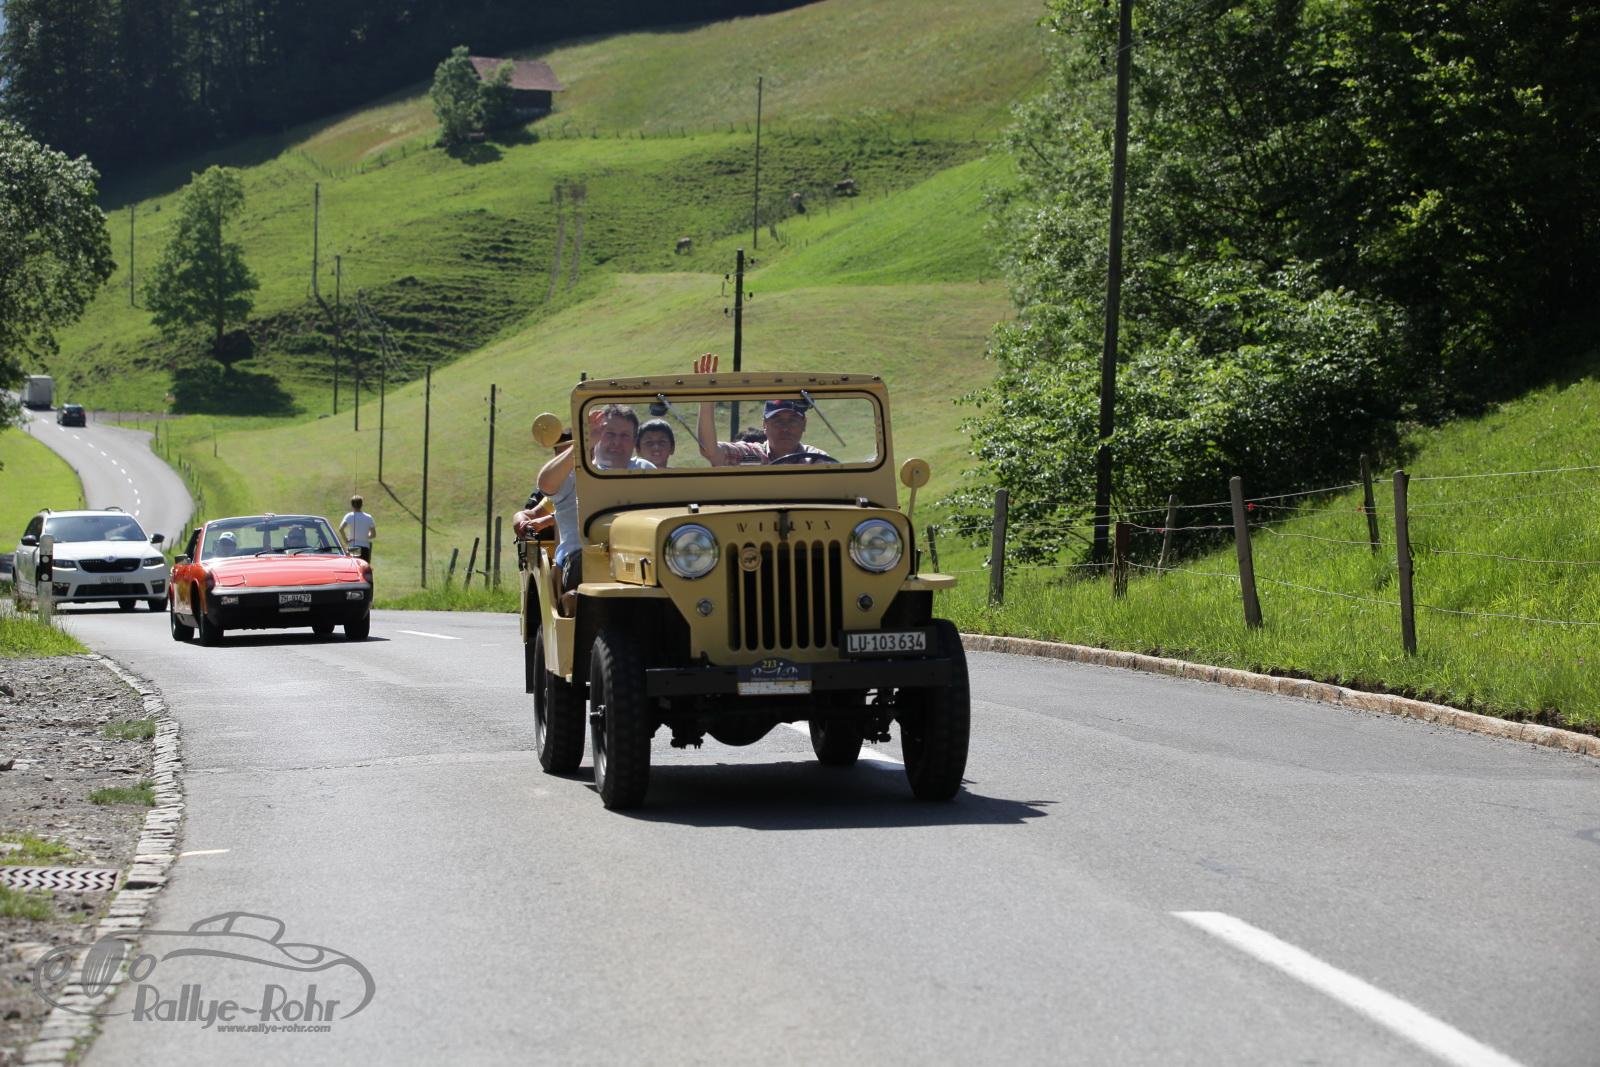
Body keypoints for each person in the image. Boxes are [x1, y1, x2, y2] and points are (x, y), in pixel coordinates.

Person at [536, 404, 655, 611]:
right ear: (597, 435)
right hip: (581, 557)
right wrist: (581, 444)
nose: (617, 442)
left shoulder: (644, 471)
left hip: (637, 558)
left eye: (625, 436)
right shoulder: (576, 471)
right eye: (610, 434)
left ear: (634, 440)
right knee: (588, 561)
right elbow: (545, 484)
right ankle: (579, 606)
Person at [691, 353, 835, 466]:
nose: (785, 428)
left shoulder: (816, 460)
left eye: (793, 421)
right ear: (764, 425)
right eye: (777, 421)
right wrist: (706, 399)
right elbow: (710, 452)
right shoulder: (750, 456)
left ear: (804, 424)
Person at [514, 427, 571, 540]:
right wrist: (520, 519)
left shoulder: (595, 482)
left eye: (570, 455)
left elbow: (578, 512)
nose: (565, 460)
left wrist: (545, 521)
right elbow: (534, 514)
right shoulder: (562, 488)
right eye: (561, 455)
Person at [340, 496, 376, 562]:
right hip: (365, 548)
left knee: (353, 566)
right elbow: (373, 535)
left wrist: (346, 540)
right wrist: (365, 536)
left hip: (353, 547)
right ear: (362, 505)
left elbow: (341, 528)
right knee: (364, 567)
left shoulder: (349, 516)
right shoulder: (369, 517)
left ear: (351, 505)